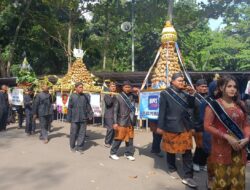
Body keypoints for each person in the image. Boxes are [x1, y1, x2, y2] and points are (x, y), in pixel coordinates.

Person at [204, 75, 250, 190]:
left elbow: (246, 125)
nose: (232, 89)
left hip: (239, 149)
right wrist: (226, 137)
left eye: (235, 86)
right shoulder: (213, 106)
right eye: (229, 86)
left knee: (238, 182)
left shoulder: (240, 105)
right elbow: (207, 126)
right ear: (220, 87)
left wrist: (247, 138)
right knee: (222, 182)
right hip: (221, 149)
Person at [156, 72, 197, 188]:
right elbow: (162, 110)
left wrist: (192, 95)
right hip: (171, 125)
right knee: (171, 150)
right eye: (179, 80)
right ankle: (171, 167)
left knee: (187, 151)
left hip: (185, 126)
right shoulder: (165, 93)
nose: (182, 82)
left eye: (183, 80)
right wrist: (160, 126)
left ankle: (188, 176)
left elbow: (191, 107)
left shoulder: (185, 93)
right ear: (172, 81)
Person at [110, 81, 139, 161]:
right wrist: (115, 122)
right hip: (121, 121)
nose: (127, 89)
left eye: (129, 87)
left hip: (130, 120)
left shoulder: (133, 96)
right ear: (123, 88)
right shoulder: (118, 96)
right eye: (126, 87)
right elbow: (115, 111)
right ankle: (113, 153)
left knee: (130, 138)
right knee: (119, 138)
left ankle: (128, 153)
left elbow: (139, 99)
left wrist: (137, 91)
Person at [67, 82, 93, 153]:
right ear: (76, 88)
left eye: (82, 87)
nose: (82, 89)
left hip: (83, 118)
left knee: (82, 133)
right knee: (73, 133)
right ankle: (72, 146)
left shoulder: (85, 96)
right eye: (80, 87)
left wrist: (90, 114)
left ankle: (80, 147)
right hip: (74, 118)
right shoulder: (72, 96)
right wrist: (69, 118)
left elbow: (88, 106)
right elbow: (69, 107)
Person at [192, 79, 209, 172]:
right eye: (202, 86)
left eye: (206, 86)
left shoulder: (209, 97)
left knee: (207, 145)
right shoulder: (193, 98)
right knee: (200, 145)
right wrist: (192, 127)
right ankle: (195, 162)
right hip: (197, 126)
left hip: (208, 126)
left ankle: (203, 163)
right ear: (196, 87)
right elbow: (191, 114)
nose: (204, 88)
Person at [103, 82, 117, 148]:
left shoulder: (116, 94)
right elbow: (108, 103)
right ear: (109, 87)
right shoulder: (107, 94)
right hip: (109, 115)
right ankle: (107, 142)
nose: (113, 87)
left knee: (114, 129)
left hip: (115, 115)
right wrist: (111, 96)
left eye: (114, 86)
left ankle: (111, 142)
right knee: (110, 129)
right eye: (112, 86)